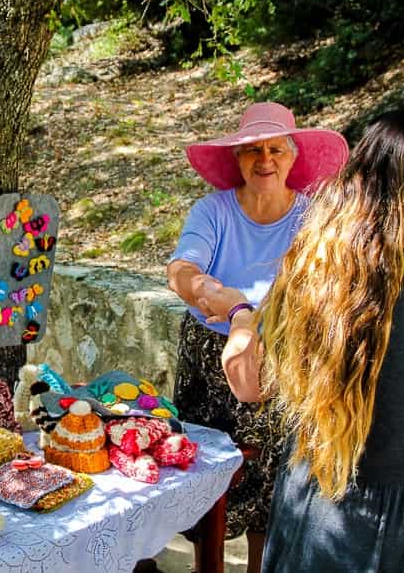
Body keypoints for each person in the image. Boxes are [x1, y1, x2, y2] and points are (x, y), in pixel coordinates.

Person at [220, 109, 404, 572]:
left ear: (363, 186)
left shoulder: (328, 288)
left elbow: (250, 386)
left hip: (344, 526)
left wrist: (241, 318)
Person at [167, 102, 348, 573]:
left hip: (279, 359)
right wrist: (209, 292)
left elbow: (319, 287)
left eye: (275, 149)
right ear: (237, 160)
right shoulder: (214, 210)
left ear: (292, 157)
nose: (264, 160)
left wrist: (256, 317)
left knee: (271, 484)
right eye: (252, 151)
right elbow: (182, 268)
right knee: (206, 477)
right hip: (210, 359)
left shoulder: (311, 219)